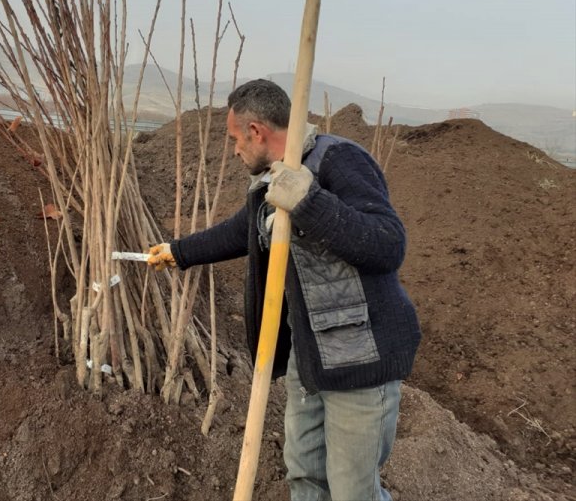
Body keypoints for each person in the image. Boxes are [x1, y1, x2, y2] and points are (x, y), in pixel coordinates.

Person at [147, 79, 420, 501]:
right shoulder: (269, 183)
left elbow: (388, 244)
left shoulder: (338, 160)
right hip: (308, 361)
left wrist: (309, 201)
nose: (235, 150)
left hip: (359, 365)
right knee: (305, 477)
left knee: (353, 492)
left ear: (257, 132)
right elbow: (240, 232)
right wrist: (177, 252)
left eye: (237, 139)